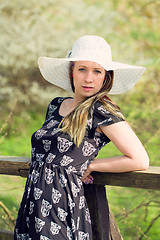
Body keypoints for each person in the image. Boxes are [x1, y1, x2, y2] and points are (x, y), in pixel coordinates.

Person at [14, 35, 149, 240]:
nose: (89, 78)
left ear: (105, 77)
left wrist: (93, 165)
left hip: (61, 207)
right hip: (33, 202)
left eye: (97, 71)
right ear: (72, 72)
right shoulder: (56, 105)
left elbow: (140, 159)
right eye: (82, 69)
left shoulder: (101, 112)